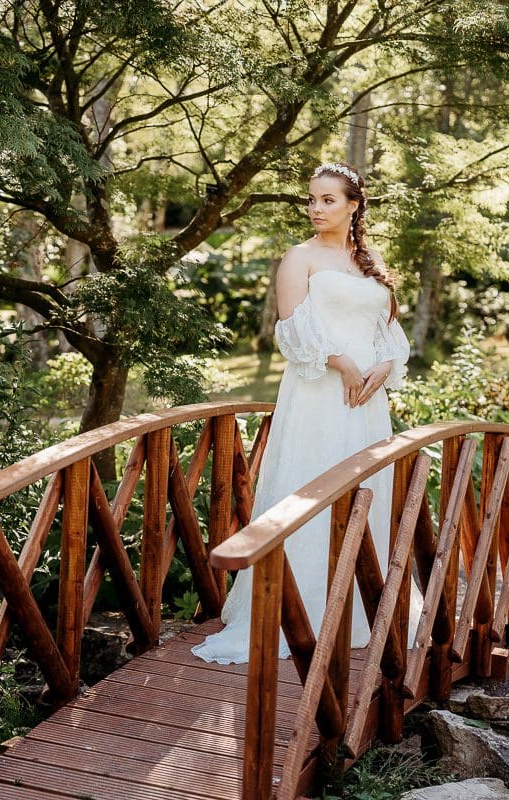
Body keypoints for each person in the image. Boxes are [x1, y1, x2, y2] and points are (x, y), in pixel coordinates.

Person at [191, 161, 413, 665]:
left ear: (353, 205)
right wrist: (341, 363)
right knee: (308, 486)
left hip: (367, 402)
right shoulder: (300, 257)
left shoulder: (369, 260)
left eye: (328, 199)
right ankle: (294, 610)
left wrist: (382, 364)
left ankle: (358, 607)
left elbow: (389, 331)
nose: (316, 208)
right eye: (312, 200)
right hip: (318, 394)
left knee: (365, 494)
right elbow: (291, 330)